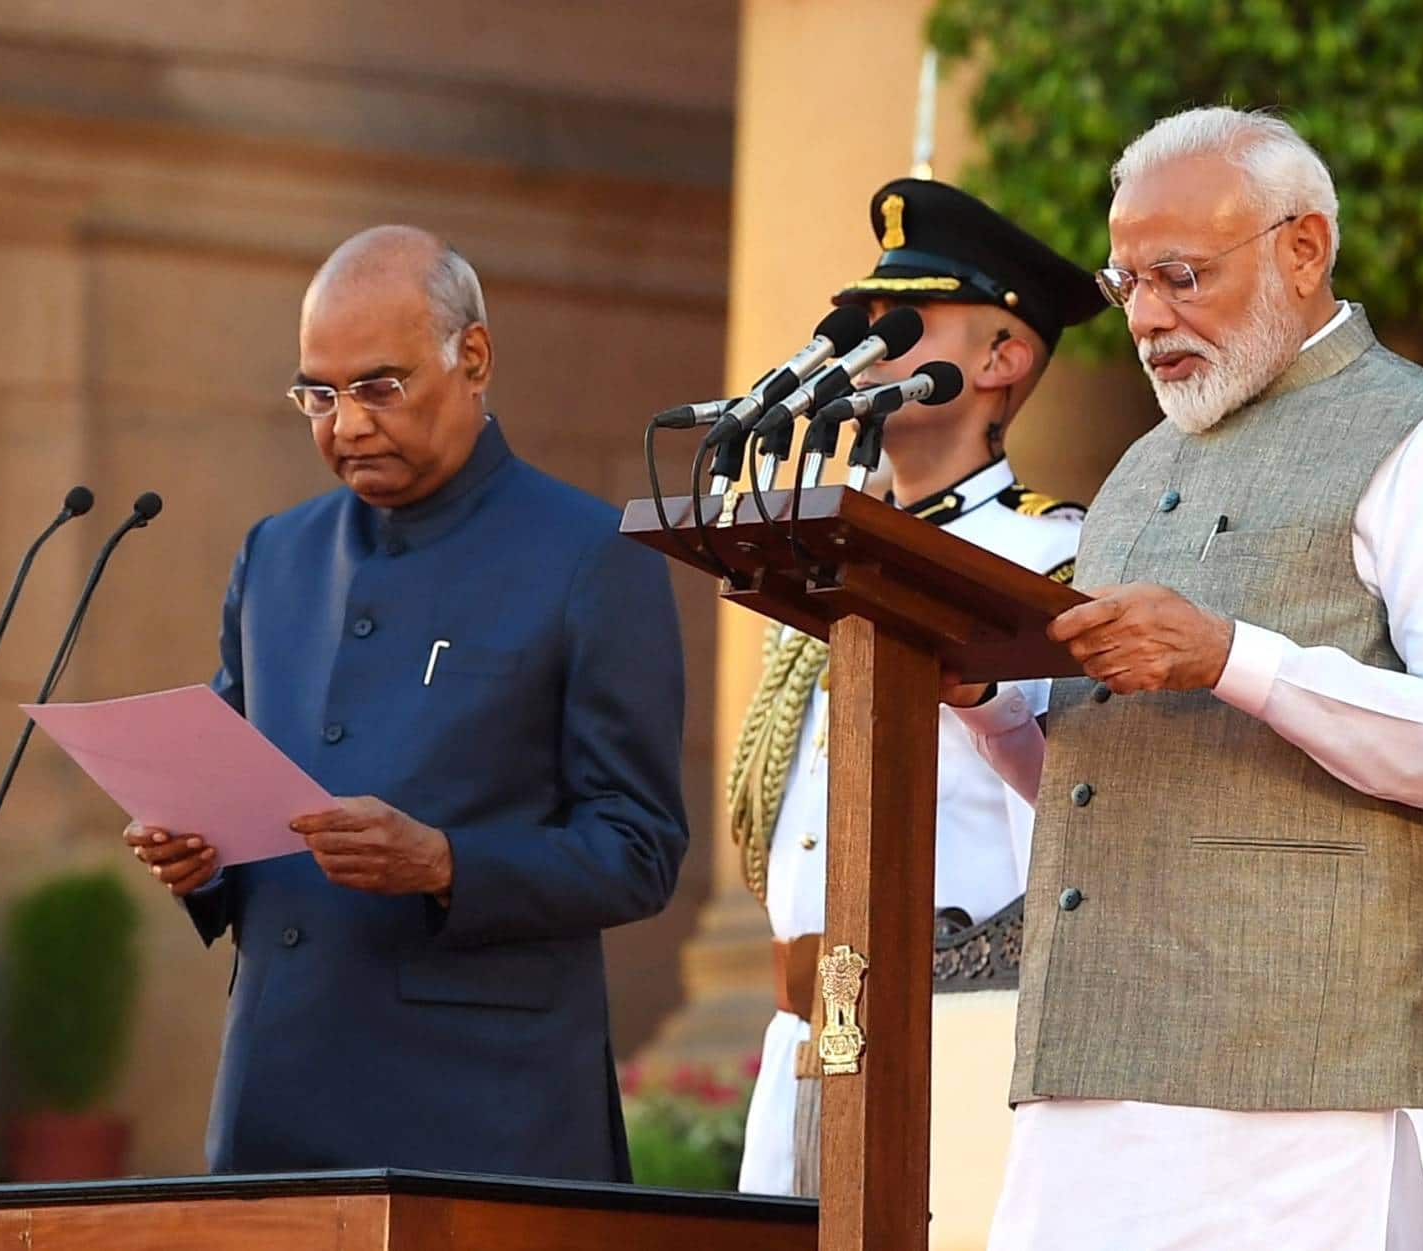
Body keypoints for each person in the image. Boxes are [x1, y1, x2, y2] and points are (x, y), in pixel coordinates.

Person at [946, 107, 1423, 1251]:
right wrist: (988, 709)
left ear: (1303, 248)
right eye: (1127, 284)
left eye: (1179, 276)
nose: (1150, 319)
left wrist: (1235, 659)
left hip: (1304, 1094)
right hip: (1089, 1075)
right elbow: (1107, 790)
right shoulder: (1137, 469)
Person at [124, 225, 689, 1181]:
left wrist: (444, 862)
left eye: (378, 387)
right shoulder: (278, 556)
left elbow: (637, 849)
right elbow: (236, 793)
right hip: (278, 1099)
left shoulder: (590, 555)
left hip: (480, 1118)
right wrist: (195, 855)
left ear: (472, 358)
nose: (345, 425)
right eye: (318, 393)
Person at [727, 177, 1101, 1197]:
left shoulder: (1048, 559)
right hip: (800, 1034)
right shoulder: (821, 553)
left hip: (958, 1027)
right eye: (860, 320)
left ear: (1002, 358)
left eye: (905, 321)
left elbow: (1080, 806)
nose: (868, 344)